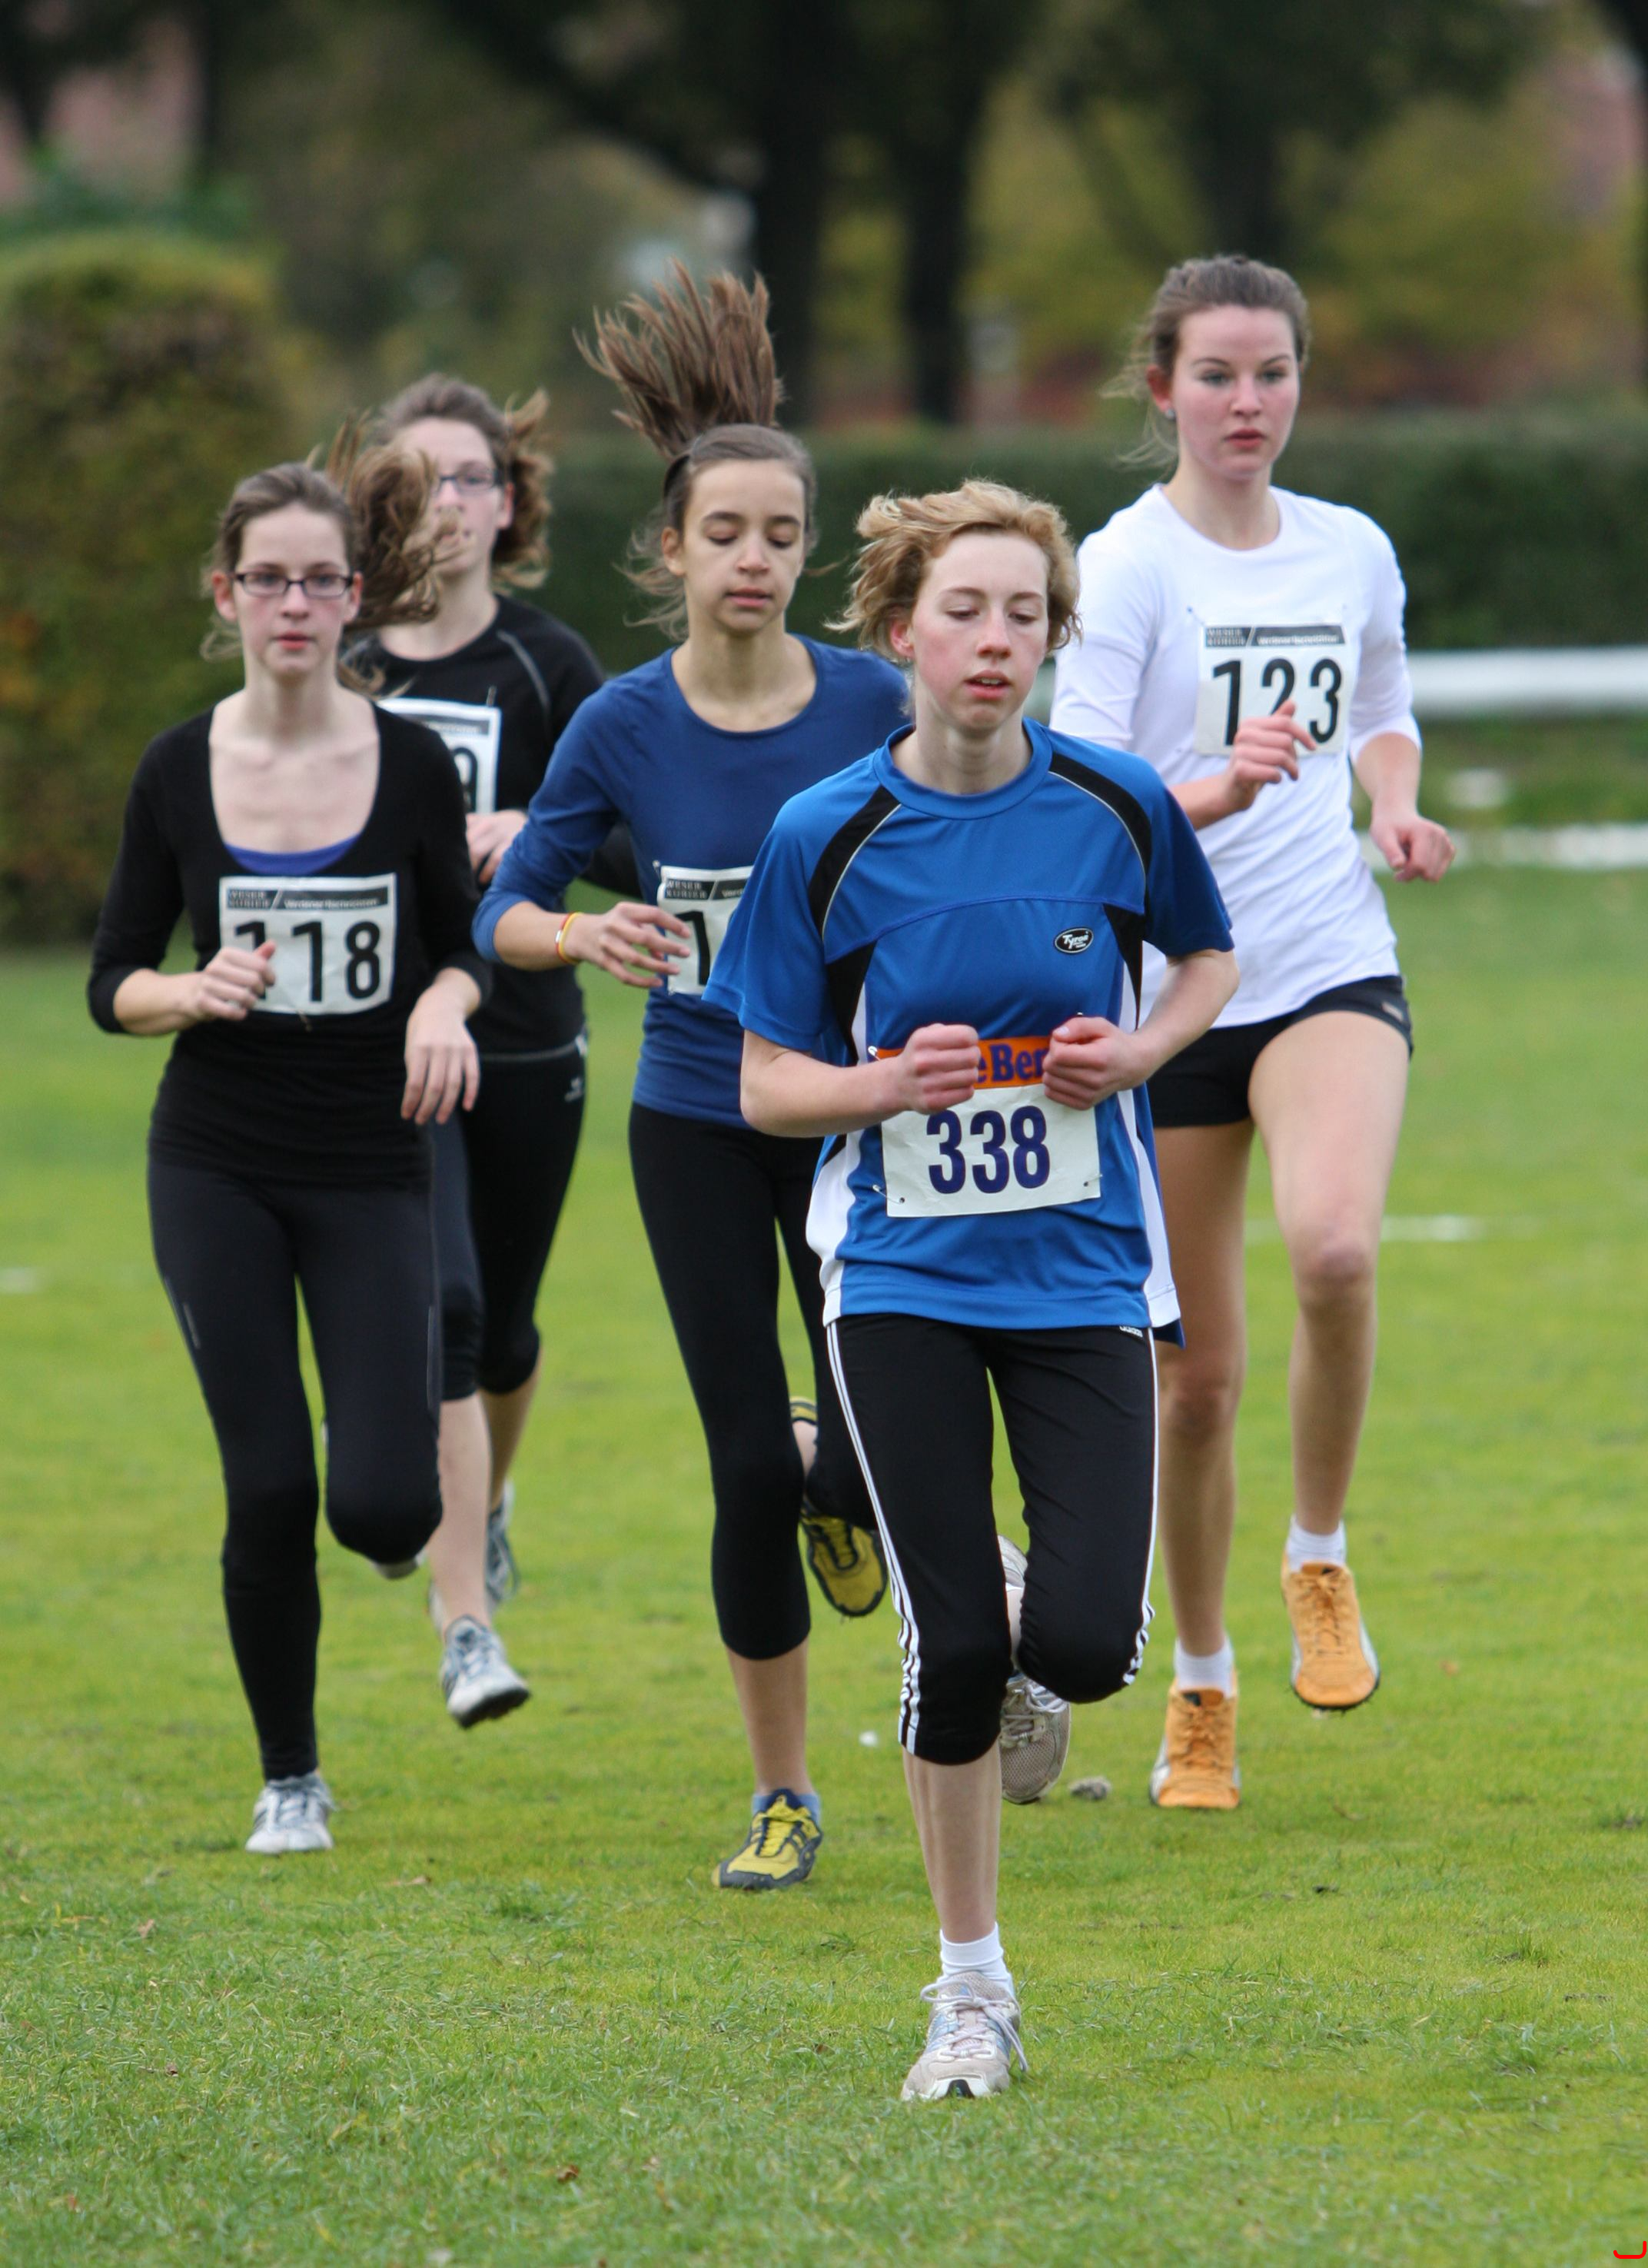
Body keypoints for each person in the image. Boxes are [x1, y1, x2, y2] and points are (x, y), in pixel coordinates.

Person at [706, 478, 1236, 2099]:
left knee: (1081, 1646)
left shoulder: (1116, 804)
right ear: (899, 632)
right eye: (965, 612)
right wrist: (882, 1086)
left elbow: (1206, 960)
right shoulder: (827, 834)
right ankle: (969, 1991)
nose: (997, 641)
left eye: (1025, 615)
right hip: (900, 1275)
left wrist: (1139, 1051)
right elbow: (765, 1083)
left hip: (1082, 1270)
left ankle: (1007, 1586)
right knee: (948, 1656)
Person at [474, 266, 910, 1891]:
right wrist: (583, 937)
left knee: (861, 1452)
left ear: (806, 552)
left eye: (780, 535)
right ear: (670, 549)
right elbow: (504, 907)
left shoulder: (871, 704)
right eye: (723, 532)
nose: (752, 558)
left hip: (853, 1122)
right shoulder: (619, 726)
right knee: (745, 1467)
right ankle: (784, 1793)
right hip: (696, 1124)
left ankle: (841, 1476)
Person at [1051, 254, 1454, 1812]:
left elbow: (1382, 707)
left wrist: (1395, 803)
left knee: (1337, 1249)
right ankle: (1202, 1682)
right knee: (1197, 1381)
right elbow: (1081, 788)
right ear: (1162, 386)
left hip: (1328, 964)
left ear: (1300, 381)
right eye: (1216, 374)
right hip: (1172, 995)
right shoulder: (1125, 566)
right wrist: (1207, 791)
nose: (1247, 402)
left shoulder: (1349, 547)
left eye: (1272, 372)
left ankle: (1320, 1553)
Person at [87, 437, 492, 1854]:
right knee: (267, 1484)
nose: (297, 605)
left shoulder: (411, 763)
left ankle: (379, 1455)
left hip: (373, 1159)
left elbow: (466, 944)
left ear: (355, 596)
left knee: (380, 1507)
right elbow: (111, 978)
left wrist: (443, 1001)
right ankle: (290, 1776)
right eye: (270, 580)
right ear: (228, 593)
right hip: (218, 1160)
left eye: (322, 580)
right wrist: (186, 992)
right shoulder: (177, 768)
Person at [354, 374, 617, 1718]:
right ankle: (466, 1624)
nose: (446, 501)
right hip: (386, 1044)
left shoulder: (548, 665)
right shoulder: (343, 654)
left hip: (524, 1036)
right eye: (419, 477)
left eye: (471, 476)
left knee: (503, 1329)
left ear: (509, 505)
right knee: (447, 1311)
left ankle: (487, 1498)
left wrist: (538, 831)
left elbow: (640, 829)